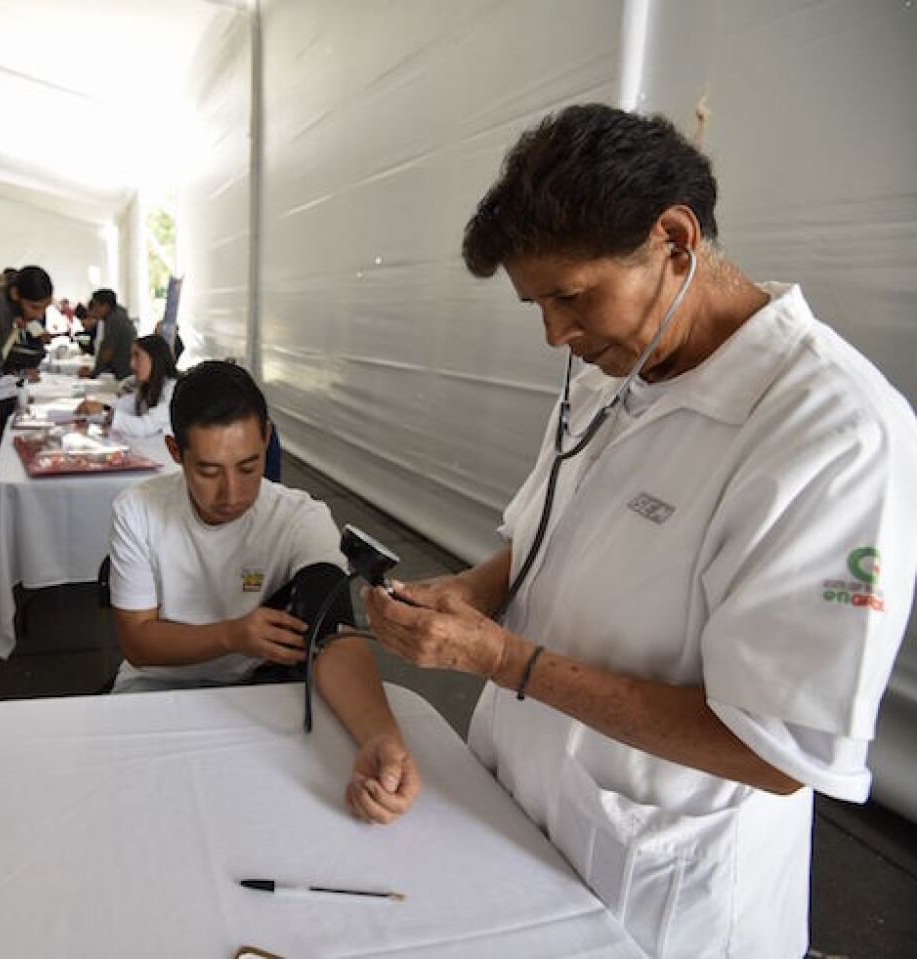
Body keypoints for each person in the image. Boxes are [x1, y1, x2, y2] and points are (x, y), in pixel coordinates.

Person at [362, 104, 917, 957]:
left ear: (674, 239)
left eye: (570, 295)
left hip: (657, 887)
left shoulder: (835, 433)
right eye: (536, 303)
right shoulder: (619, 357)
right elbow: (555, 535)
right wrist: (472, 592)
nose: (555, 333)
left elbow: (776, 751)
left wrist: (497, 657)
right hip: (518, 800)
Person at [108, 361, 421, 825]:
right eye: (208, 470)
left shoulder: (300, 518)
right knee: (144, 817)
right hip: (157, 688)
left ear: (267, 438)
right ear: (175, 451)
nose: (232, 492)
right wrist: (232, 636)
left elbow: (332, 637)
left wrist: (381, 738)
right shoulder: (138, 511)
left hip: (260, 693)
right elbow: (138, 643)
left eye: (248, 466)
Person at [75, 333, 178, 438]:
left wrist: (105, 413)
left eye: (137, 356)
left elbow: (145, 427)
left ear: (155, 358)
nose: (132, 364)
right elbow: (124, 405)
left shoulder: (172, 391)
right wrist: (99, 408)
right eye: (131, 357)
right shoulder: (148, 388)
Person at [82, 288, 135, 379]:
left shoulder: (114, 320)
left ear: (105, 306)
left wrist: (93, 373)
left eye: (96, 306)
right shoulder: (118, 314)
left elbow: (108, 350)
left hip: (121, 373)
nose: (94, 310)